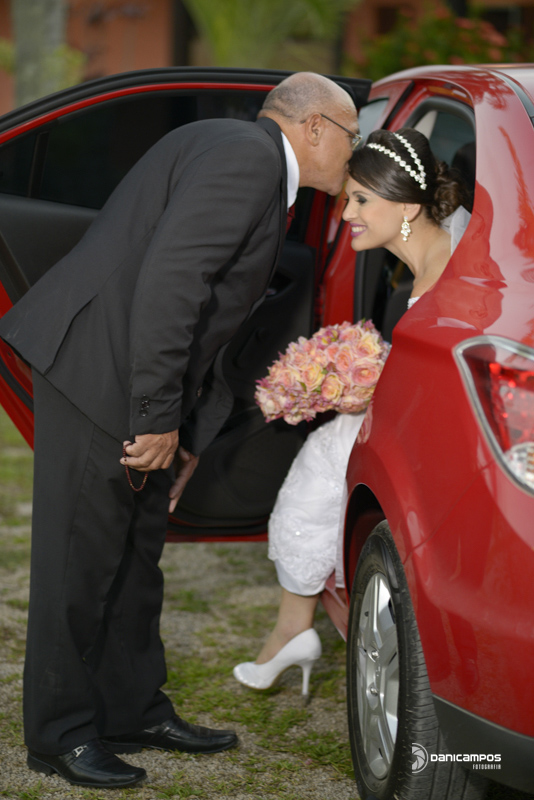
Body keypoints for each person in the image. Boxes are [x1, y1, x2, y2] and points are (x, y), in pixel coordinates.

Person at [0, 72, 359, 788]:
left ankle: (131, 708)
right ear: (316, 126)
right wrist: (156, 417)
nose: (355, 152)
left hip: (123, 369)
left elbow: (215, 313)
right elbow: (173, 284)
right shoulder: (249, 161)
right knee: (80, 559)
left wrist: (185, 433)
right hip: (102, 371)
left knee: (135, 556)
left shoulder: (238, 149)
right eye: (354, 136)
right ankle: (60, 733)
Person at [233, 127, 472, 697]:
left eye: (362, 200)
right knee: (327, 451)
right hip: (417, 420)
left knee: (324, 458)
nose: (346, 214)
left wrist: (363, 388)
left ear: (406, 207)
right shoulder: (428, 261)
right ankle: (293, 628)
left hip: (443, 442)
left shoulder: (447, 273)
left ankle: (293, 630)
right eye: (347, 199)